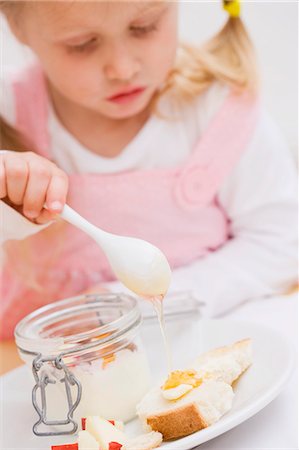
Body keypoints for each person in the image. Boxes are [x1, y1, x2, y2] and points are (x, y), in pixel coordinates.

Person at [0, 0, 297, 339]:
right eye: (81, 45)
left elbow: (281, 245)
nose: (123, 69)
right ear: (16, 26)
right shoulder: (8, 112)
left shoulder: (217, 110)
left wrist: (124, 303)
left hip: (198, 342)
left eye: (145, 27)